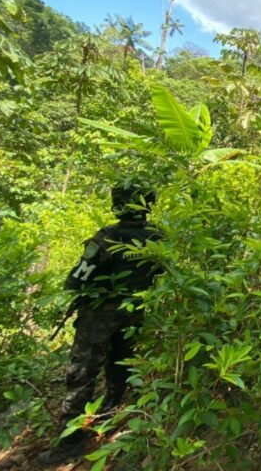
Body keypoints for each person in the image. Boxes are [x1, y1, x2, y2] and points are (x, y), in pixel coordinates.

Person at [39, 182, 164, 465]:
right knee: (121, 364)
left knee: (82, 375)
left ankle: (69, 443)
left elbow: (77, 279)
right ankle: (108, 418)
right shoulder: (159, 236)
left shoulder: (106, 238)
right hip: (136, 313)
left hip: (99, 317)